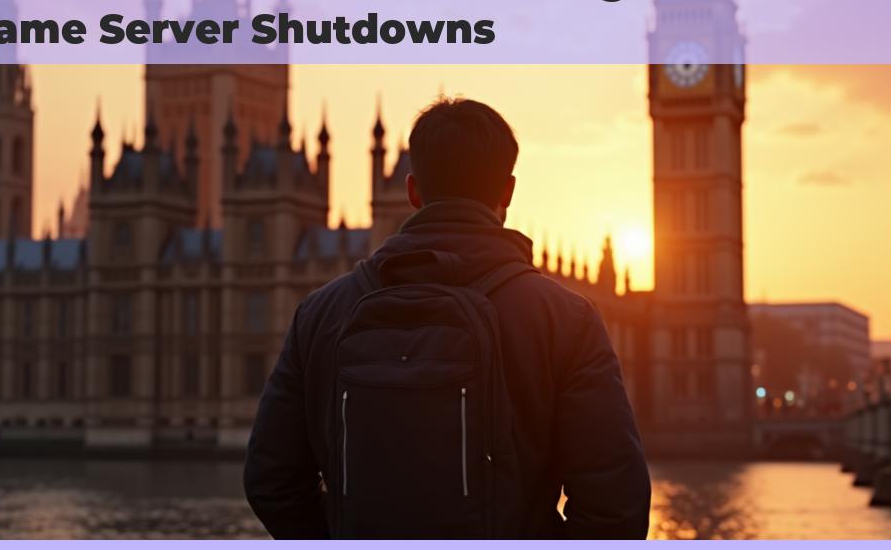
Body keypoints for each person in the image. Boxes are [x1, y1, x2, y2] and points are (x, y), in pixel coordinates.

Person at [243, 97, 650, 539]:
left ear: (413, 191)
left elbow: (271, 482)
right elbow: (616, 508)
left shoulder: (320, 314)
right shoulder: (565, 318)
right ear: (507, 193)